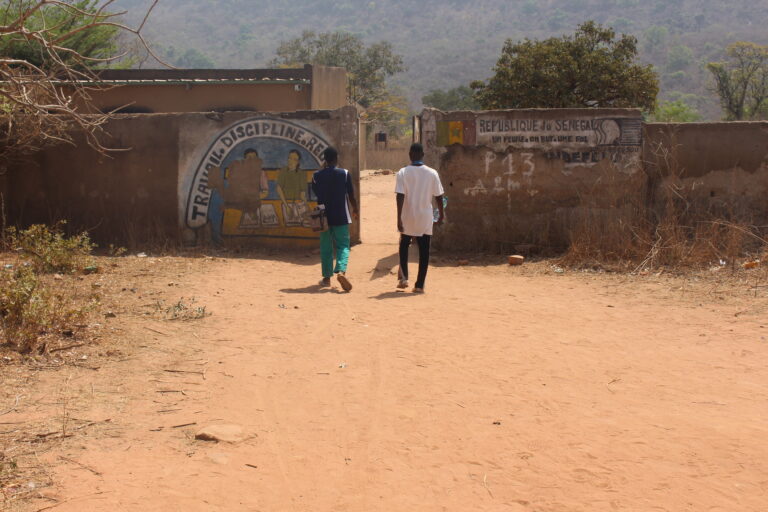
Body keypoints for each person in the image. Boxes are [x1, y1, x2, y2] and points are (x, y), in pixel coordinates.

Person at [395, 143, 445, 293]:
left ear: (410, 154)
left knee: (404, 246)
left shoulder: (402, 172)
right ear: (423, 154)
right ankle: (419, 285)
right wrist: (441, 215)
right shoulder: (432, 173)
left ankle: (404, 278)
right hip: (425, 218)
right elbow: (439, 197)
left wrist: (398, 218)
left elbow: (399, 196)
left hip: (408, 216)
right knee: (424, 251)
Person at [312, 147, 358, 292]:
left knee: (326, 246)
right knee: (343, 245)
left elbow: (315, 192)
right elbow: (351, 195)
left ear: (325, 159)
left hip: (323, 216)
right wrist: (355, 209)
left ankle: (326, 278)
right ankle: (341, 271)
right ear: (336, 158)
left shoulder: (316, 175)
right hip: (341, 215)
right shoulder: (344, 174)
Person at [277, 149, 308, 225]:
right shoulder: (283, 171)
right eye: (290, 158)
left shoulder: (302, 173)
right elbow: (279, 188)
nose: (291, 161)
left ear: (298, 162)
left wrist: (305, 205)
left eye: (294, 159)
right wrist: (286, 205)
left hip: (297, 203)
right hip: (284, 202)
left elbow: (303, 193)